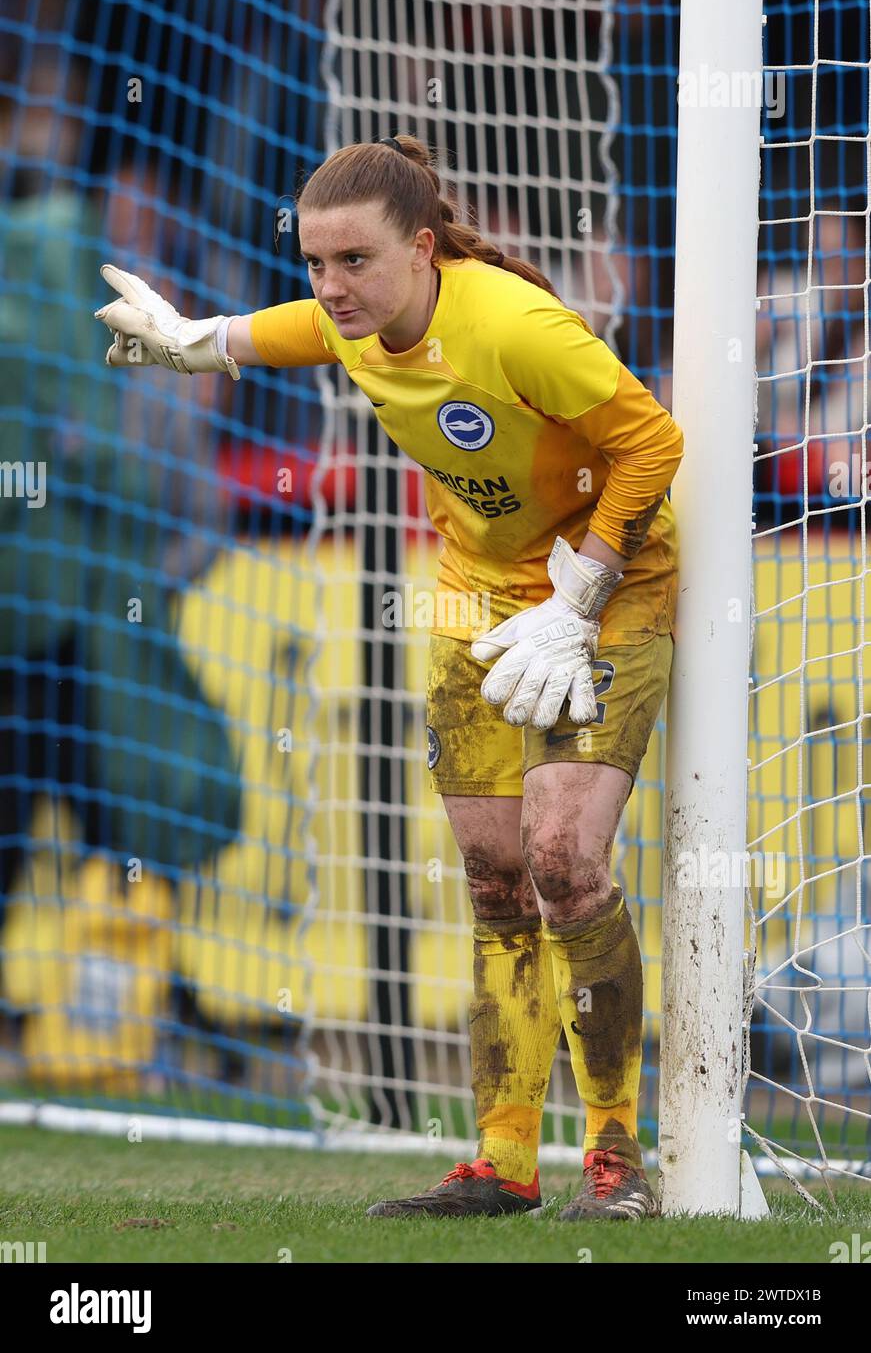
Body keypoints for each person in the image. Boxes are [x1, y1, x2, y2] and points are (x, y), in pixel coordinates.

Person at [94, 135, 683, 1221]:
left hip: (604, 585)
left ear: (419, 249)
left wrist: (581, 596)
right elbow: (271, 331)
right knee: (497, 875)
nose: (329, 286)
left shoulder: (510, 325)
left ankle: (616, 1158)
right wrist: (190, 342)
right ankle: (503, 1162)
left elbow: (652, 440)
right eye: (315, 261)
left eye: (352, 261)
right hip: (474, 594)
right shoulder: (349, 320)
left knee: (564, 863)